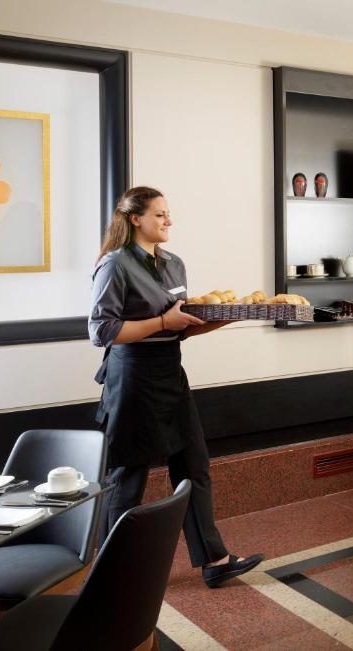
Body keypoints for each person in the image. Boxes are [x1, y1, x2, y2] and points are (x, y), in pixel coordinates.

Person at [88, 186, 262, 588]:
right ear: (136, 219)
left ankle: (214, 560)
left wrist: (227, 317)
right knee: (128, 476)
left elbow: (179, 329)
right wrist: (164, 322)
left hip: (170, 371)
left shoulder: (174, 264)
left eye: (168, 214)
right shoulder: (114, 265)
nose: (169, 221)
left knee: (194, 466)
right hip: (132, 377)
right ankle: (108, 570)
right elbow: (102, 331)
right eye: (160, 214)